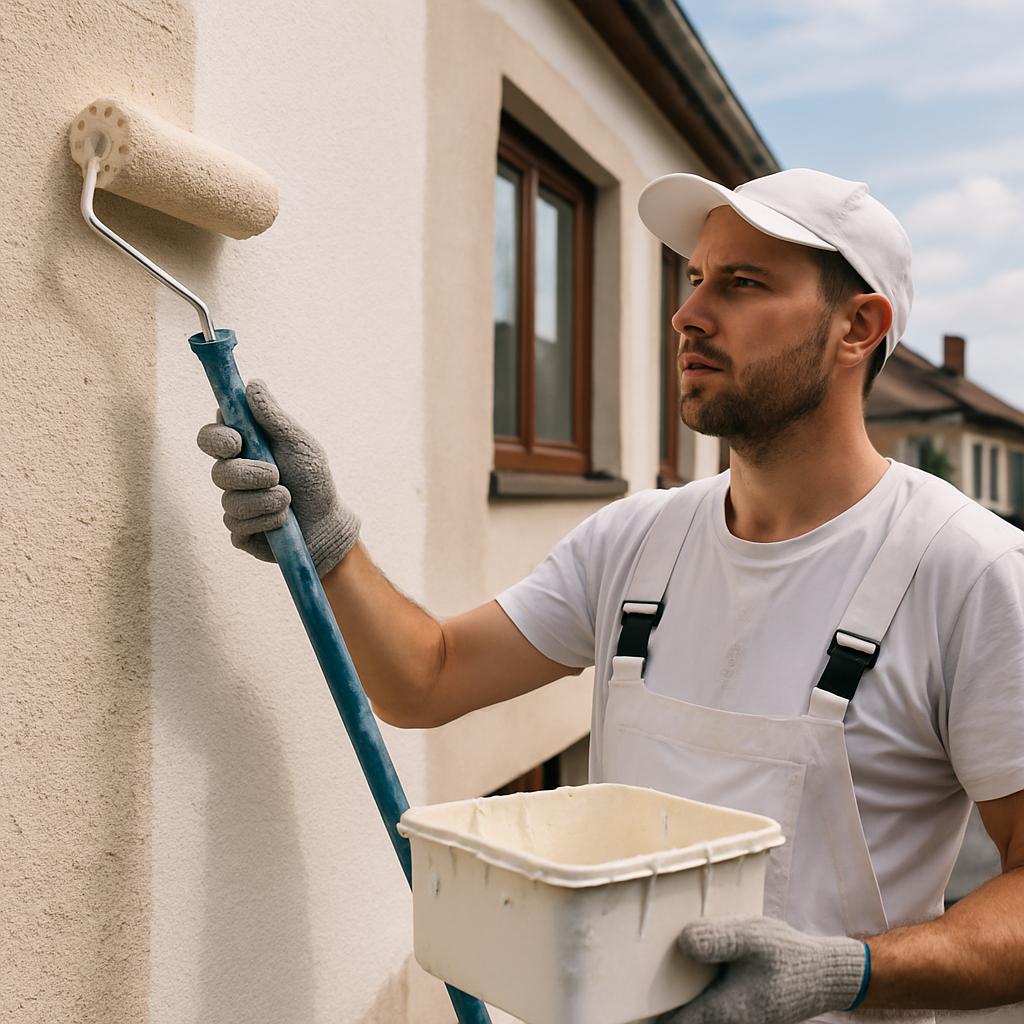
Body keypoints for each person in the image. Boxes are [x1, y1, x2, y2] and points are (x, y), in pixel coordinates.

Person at [197, 168, 1024, 1024]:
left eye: (742, 285)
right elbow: (424, 679)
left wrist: (844, 972)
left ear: (859, 327)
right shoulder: (636, 543)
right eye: (696, 278)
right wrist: (327, 538)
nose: (689, 313)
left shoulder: (968, 572)